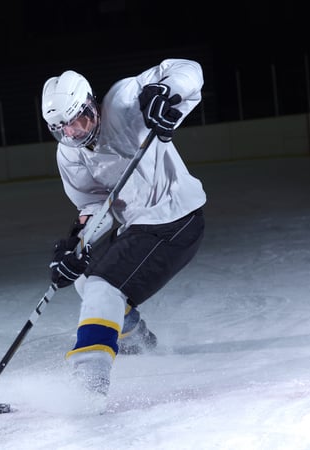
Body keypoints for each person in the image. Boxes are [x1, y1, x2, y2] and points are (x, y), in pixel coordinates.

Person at [41, 59, 206, 402]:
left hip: (175, 218)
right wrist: (76, 246)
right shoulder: (70, 155)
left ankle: (89, 383)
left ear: (92, 103)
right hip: (139, 225)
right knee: (86, 280)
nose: (72, 132)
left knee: (104, 287)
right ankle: (137, 337)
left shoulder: (124, 103)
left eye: (77, 119)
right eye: (62, 128)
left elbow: (188, 70)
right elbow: (94, 206)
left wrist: (164, 93)